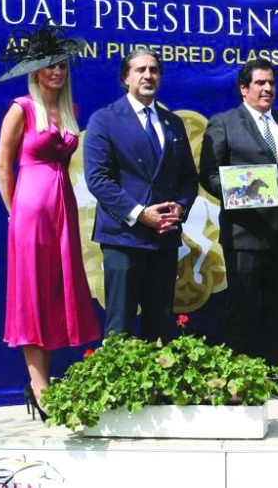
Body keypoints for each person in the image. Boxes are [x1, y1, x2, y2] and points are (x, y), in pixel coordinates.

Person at [0, 22, 100, 420]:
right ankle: (39, 386)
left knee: (55, 292)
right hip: (31, 212)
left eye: (62, 65)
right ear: (35, 71)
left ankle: (45, 381)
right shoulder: (21, 108)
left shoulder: (70, 111)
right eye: (50, 65)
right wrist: (15, 212)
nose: (57, 71)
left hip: (62, 210)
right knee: (33, 293)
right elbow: (2, 166)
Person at [199, 59, 278, 401]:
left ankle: (275, 377)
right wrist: (245, 192)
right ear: (243, 89)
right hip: (245, 234)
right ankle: (240, 382)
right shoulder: (224, 123)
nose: (267, 88)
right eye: (260, 83)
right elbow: (209, 175)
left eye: (271, 82)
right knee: (242, 310)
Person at [83, 50, 198, 343]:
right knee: (119, 324)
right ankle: (117, 376)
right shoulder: (104, 119)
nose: (148, 75)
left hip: (164, 238)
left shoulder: (173, 123)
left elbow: (188, 178)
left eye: (154, 70)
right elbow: (98, 179)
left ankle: (157, 375)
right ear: (126, 77)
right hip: (123, 236)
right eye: (141, 70)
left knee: (159, 324)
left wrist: (180, 208)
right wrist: (140, 214)